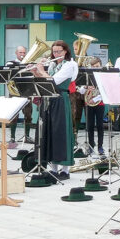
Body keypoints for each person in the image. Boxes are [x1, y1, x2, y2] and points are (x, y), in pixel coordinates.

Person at [34, 40, 78, 180]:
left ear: (65, 51)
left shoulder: (70, 65)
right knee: (49, 132)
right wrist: (36, 72)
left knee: (61, 132)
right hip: (49, 99)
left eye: (59, 51)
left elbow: (54, 81)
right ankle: (53, 168)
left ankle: (65, 170)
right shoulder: (53, 64)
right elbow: (43, 82)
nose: (56, 54)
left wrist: (41, 70)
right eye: (54, 51)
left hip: (61, 99)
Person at [79, 57, 105, 155]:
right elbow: (81, 91)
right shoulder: (87, 76)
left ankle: (100, 147)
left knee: (100, 126)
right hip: (88, 104)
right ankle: (91, 146)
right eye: (93, 67)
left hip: (99, 103)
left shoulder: (102, 76)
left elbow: (104, 92)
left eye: (97, 66)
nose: (95, 68)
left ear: (100, 66)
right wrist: (86, 87)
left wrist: (94, 99)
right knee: (89, 126)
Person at [8, 45, 34, 144]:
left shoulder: (29, 64)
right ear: (16, 53)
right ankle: (12, 138)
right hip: (15, 93)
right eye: (20, 53)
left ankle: (27, 136)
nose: (22, 55)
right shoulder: (11, 63)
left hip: (27, 92)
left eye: (24, 53)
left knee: (28, 115)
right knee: (14, 115)